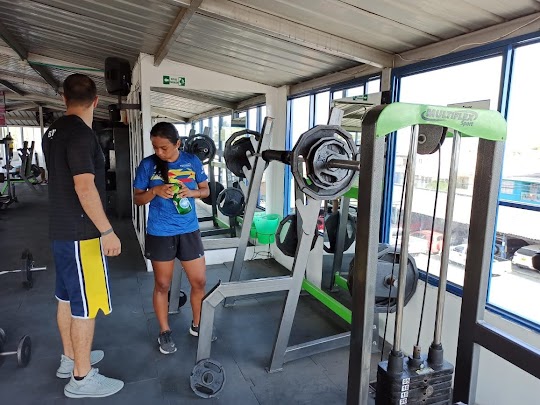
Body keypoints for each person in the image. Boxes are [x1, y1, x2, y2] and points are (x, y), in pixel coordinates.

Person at [42, 74, 124, 398]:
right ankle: (81, 378)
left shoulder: (52, 132)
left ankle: (71, 358)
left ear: (64, 98)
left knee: (66, 298)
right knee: (85, 306)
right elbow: (84, 187)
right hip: (82, 235)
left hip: (61, 233)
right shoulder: (81, 134)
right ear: (96, 101)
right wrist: (107, 231)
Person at [133, 122, 210, 354]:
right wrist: (154, 191)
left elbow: (206, 190)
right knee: (162, 284)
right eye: (155, 147)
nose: (159, 152)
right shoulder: (148, 165)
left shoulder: (192, 161)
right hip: (160, 231)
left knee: (199, 282)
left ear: (177, 143)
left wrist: (192, 192)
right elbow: (138, 199)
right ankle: (164, 331)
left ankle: (198, 324)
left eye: (164, 148)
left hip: (188, 230)